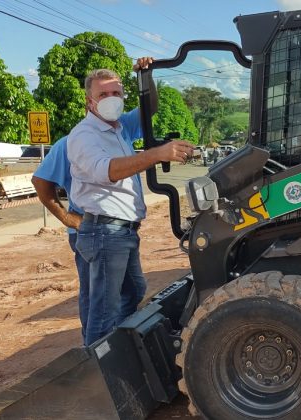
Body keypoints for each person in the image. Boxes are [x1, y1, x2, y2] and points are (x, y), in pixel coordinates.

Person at [67, 58, 195, 345]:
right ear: (90, 102)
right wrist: (157, 154)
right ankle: (100, 360)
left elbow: (150, 107)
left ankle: (120, 348)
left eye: (116, 93)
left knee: (134, 291)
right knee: (104, 309)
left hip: (121, 231)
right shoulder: (84, 135)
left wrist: (146, 75)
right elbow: (106, 170)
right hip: (104, 231)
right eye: (103, 94)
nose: (111, 99)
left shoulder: (118, 128)